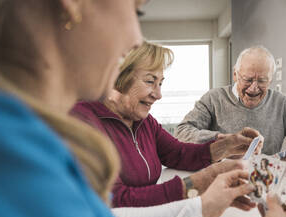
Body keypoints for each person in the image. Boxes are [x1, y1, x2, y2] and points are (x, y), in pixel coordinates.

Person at [0, 1, 286, 217]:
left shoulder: (28, 130)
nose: (134, 38)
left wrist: (202, 201)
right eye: (136, 9)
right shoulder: (20, 153)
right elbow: (111, 209)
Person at [71, 41, 263, 208]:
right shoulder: (84, 121)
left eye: (160, 83)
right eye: (150, 81)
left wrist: (226, 146)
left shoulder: (144, 121)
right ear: (117, 77)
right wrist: (193, 185)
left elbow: (178, 154)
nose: (158, 94)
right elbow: (115, 200)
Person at [175, 45, 286, 168]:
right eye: (248, 79)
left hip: (265, 182)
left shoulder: (282, 104)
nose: (253, 88)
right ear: (235, 74)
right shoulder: (213, 98)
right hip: (221, 179)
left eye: (262, 81)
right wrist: (221, 140)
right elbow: (181, 132)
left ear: (271, 79)